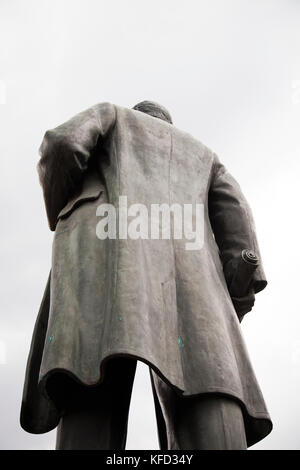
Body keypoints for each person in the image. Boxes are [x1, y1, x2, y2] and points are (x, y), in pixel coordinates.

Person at [20, 100, 272, 449]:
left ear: (137, 114)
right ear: (169, 123)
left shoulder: (110, 115)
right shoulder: (204, 157)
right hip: (193, 289)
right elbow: (240, 232)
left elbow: (62, 144)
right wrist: (233, 304)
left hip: (99, 272)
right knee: (210, 391)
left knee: (88, 392)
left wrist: (61, 209)